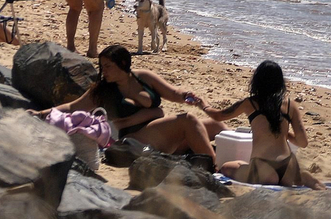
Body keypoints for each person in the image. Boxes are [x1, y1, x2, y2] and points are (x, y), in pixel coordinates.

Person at [38, 46, 217, 161]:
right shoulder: (104, 89)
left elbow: (173, 93)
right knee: (188, 120)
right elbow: (72, 107)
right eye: (102, 66)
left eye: (108, 66)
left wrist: (186, 95)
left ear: (122, 63)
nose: (104, 71)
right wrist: (40, 114)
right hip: (133, 139)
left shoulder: (144, 77)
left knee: (216, 125)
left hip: (157, 132)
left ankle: (224, 161)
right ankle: (213, 168)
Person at [197, 61, 323, 187]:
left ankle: (273, 176)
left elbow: (219, 116)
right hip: (288, 165)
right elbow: (303, 142)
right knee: (289, 175)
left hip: (263, 166)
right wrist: (284, 133)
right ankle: (302, 177)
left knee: (226, 167)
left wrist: (203, 105)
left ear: (257, 81)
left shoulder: (250, 104)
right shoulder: (290, 105)